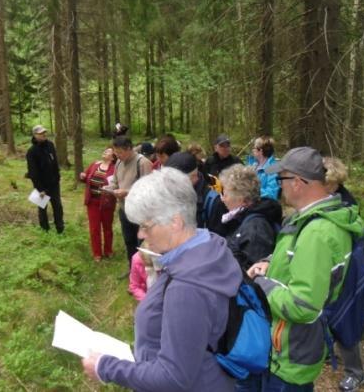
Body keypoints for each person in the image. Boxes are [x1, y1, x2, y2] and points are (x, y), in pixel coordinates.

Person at [82, 168, 243, 391]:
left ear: (175, 222)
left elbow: (173, 378)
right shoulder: (208, 246)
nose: (139, 234)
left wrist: (106, 367)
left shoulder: (187, 288)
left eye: (145, 226)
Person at [247, 147, 364, 391]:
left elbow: (303, 306)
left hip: (291, 351)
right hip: (290, 342)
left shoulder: (318, 232)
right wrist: (271, 263)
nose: (280, 186)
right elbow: (297, 258)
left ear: (298, 183)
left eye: (281, 179)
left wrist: (262, 285)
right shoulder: (310, 219)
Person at [323, 157, 364, 392]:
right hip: (329, 267)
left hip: (346, 270)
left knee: (345, 319)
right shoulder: (327, 200)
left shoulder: (346, 205)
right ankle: (324, 352)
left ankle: (355, 373)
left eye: (326, 183)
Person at [218, 164, 282, 270]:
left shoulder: (256, 228)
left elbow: (256, 273)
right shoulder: (243, 218)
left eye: (225, 194)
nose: (222, 199)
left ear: (242, 199)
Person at [109, 135, 153, 270]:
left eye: (120, 152)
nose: (117, 155)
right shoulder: (118, 163)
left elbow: (149, 189)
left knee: (141, 243)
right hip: (124, 209)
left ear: (129, 148)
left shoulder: (143, 163)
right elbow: (115, 182)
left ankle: (144, 272)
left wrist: (127, 192)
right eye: (115, 152)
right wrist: (110, 189)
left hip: (140, 213)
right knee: (129, 242)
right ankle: (132, 270)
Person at [164, 151, 227, 235]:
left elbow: (219, 240)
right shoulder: (167, 194)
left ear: (194, 177)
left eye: (175, 180)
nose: (171, 184)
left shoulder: (213, 202)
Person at [79, 147, 117, 261]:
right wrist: (82, 176)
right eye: (104, 150)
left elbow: (116, 184)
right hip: (92, 202)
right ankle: (97, 253)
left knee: (107, 227)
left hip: (107, 202)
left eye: (108, 152)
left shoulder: (115, 169)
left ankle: (108, 250)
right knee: (94, 228)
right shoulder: (94, 164)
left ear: (113, 157)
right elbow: (86, 177)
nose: (104, 152)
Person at [26, 125, 64, 233]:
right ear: (35, 135)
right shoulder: (31, 151)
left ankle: (60, 228)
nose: (43, 134)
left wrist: (57, 177)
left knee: (57, 206)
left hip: (54, 184)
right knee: (42, 208)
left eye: (44, 132)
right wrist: (39, 188)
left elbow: (55, 162)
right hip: (41, 186)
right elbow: (33, 172)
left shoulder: (50, 145)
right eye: (40, 133)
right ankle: (44, 230)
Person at [246, 136, 280, 200]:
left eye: (254, 148)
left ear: (260, 151)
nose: (253, 150)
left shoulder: (272, 169)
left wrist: (251, 190)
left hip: (264, 206)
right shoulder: (253, 164)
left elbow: (272, 194)